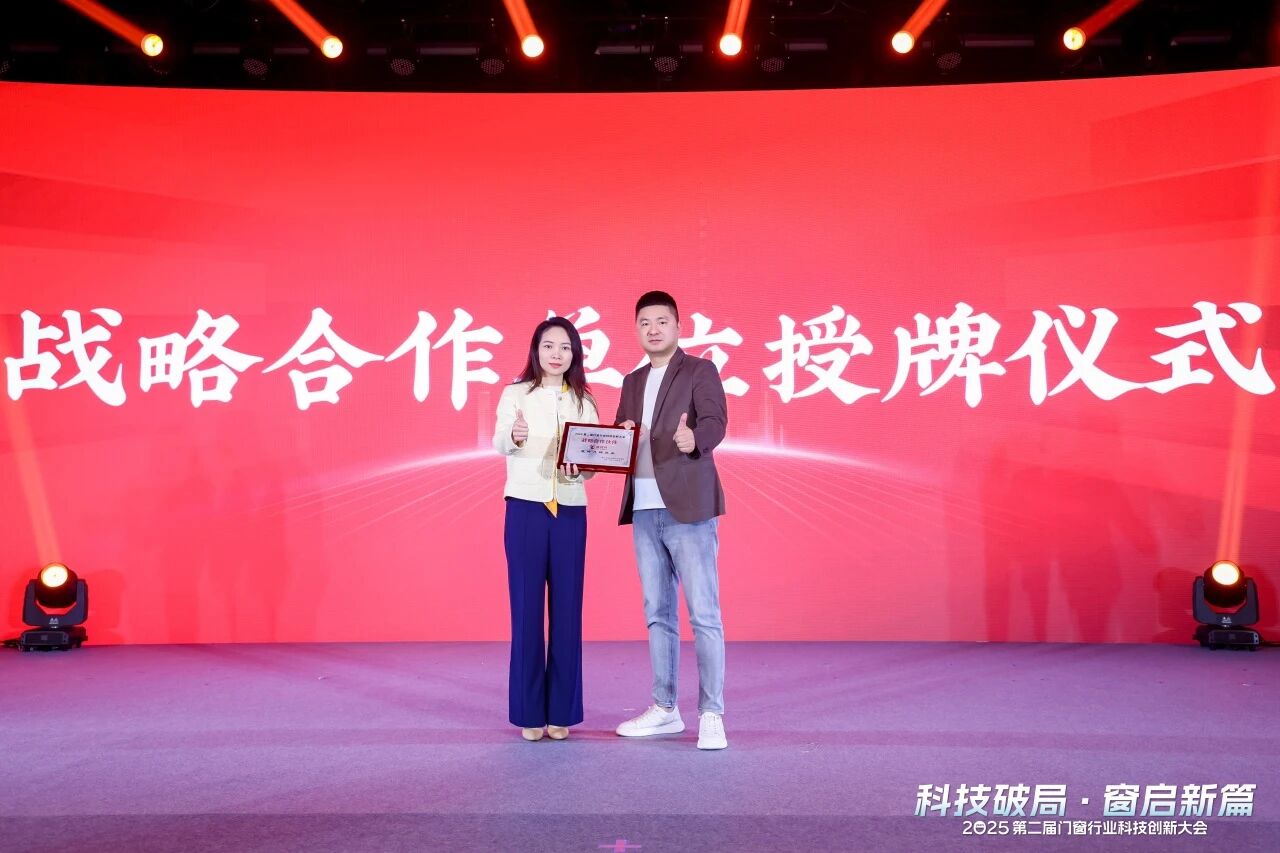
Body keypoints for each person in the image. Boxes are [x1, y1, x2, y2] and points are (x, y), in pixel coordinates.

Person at [613, 291, 729, 750]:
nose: (653, 329)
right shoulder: (631, 381)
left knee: (704, 615)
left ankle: (712, 713)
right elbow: (620, 439)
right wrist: (622, 436)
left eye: (662, 321)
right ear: (637, 330)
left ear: (679, 327)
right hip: (644, 508)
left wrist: (694, 439)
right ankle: (665, 709)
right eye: (645, 322)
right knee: (657, 615)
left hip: (689, 507)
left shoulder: (700, 370)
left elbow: (716, 422)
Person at [493, 317, 599, 742]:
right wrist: (515, 436)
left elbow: (593, 461)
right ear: (536, 350)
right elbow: (499, 441)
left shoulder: (584, 401)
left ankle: (562, 712)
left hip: (570, 511)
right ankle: (529, 713)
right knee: (526, 611)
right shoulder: (515, 394)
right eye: (549, 346)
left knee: (568, 612)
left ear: (575, 355)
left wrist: (582, 468)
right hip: (525, 509)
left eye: (565, 347)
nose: (557, 354)